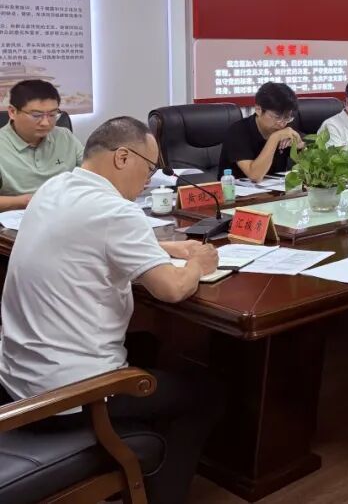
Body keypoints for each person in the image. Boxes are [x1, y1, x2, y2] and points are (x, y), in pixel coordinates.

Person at [0, 116, 222, 504]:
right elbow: (172, 289)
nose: (148, 181)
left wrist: (167, 247)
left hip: (16, 380)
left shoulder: (55, 188)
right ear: (122, 157)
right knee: (206, 393)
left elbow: (86, 237)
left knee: (149, 344)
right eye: (149, 169)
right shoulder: (117, 212)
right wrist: (197, 265)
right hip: (71, 396)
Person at [0, 79, 83, 212]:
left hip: (67, 212)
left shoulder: (64, 136)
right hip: (19, 217)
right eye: (36, 115)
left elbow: (92, 173)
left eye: (52, 114)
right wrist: (25, 201)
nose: (45, 123)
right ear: (12, 112)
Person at [218, 82, 304, 181]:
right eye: (277, 117)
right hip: (235, 189)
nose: (282, 124)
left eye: (287, 117)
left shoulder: (287, 126)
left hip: (275, 188)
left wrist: (300, 145)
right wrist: (275, 138)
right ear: (258, 109)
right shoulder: (238, 131)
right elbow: (255, 176)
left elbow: (310, 169)